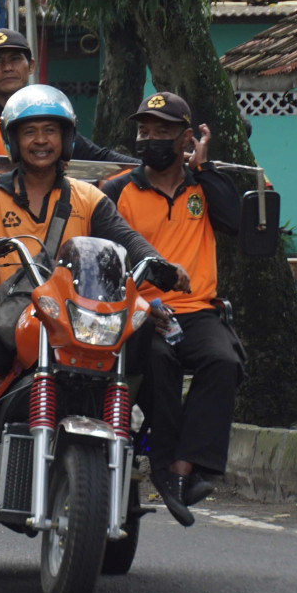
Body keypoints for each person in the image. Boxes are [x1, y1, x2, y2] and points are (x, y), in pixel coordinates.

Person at [0, 85, 189, 477]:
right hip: (10, 317)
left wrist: (158, 262)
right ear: (14, 140)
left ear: (66, 138)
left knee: (140, 338)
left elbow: (128, 239)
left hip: (75, 317)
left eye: (50, 131)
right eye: (30, 131)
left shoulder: (89, 197)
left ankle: (121, 434)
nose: (41, 141)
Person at [101, 92, 243, 527]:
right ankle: (164, 468)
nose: (151, 139)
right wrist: (138, 304)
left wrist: (202, 166)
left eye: (163, 131)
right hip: (140, 312)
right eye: (145, 131)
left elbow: (237, 221)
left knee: (223, 361)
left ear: (185, 138)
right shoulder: (118, 189)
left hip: (198, 311)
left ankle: (186, 468)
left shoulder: (204, 185)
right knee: (159, 364)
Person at [0, 29, 136, 163]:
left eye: (15, 59)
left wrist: (143, 168)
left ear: (31, 65)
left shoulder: (48, 108)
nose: (7, 68)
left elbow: (96, 156)